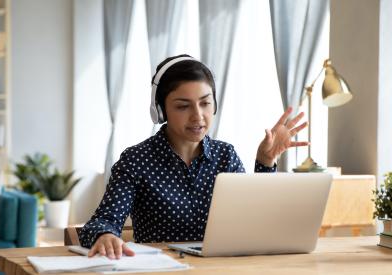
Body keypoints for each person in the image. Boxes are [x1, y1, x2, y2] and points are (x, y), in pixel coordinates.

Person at [79, 54, 308, 259]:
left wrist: (265, 162)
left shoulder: (225, 156)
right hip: (161, 269)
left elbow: (256, 221)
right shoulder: (136, 160)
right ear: (160, 110)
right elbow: (101, 222)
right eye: (183, 106)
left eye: (205, 103)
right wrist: (105, 235)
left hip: (220, 269)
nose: (198, 116)